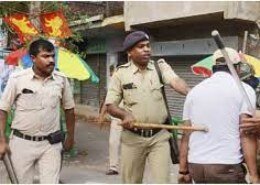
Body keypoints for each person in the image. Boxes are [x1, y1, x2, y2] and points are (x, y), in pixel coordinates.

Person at [105, 31, 190, 183]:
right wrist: (125, 115)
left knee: (162, 181)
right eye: (141, 47)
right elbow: (110, 105)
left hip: (159, 138)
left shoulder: (159, 67)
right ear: (130, 52)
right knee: (131, 181)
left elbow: (175, 81)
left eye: (148, 46)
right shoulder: (120, 74)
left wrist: (191, 93)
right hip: (132, 138)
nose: (147, 49)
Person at [179, 47, 259, 183]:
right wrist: (254, 175)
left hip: (196, 166)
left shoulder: (194, 92)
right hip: (226, 166)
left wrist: (183, 170)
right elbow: (246, 135)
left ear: (213, 68)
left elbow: (186, 134)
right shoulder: (245, 90)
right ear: (238, 68)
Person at [0, 39, 75, 184]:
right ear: (33, 58)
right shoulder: (17, 79)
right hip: (22, 144)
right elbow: (2, 110)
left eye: (52, 56)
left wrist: (71, 137)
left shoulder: (61, 80)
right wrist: (1, 140)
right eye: (46, 56)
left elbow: (69, 110)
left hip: (51, 145)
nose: (51, 60)